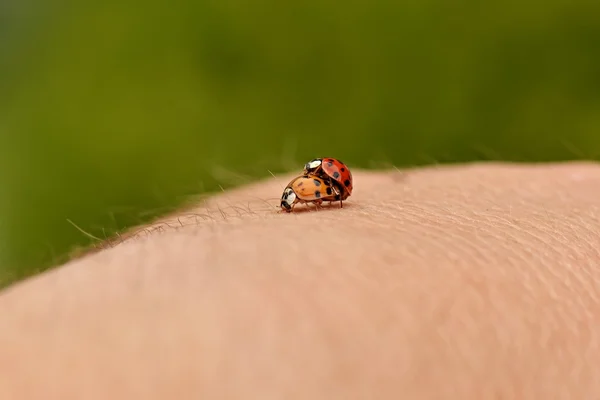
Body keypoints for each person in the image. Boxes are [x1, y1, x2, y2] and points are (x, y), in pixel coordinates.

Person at [0, 162, 599, 398]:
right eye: (308, 189)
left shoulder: (317, 188)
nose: (307, 192)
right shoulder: (313, 188)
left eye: (310, 188)